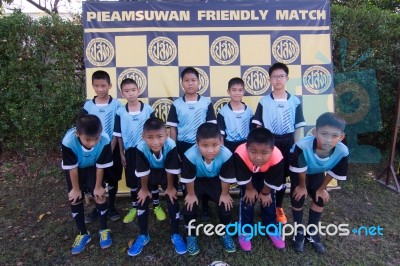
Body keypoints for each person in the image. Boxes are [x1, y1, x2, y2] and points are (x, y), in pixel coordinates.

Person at [252, 62, 306, 224]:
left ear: (287, 78)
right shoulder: (264, 101)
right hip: (270, 141)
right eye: (274, 77)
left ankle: (278, 207)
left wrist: (296, 147)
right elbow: (258, 125)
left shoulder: (295, 101)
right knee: (266, 173)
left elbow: (298, 127)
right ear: (270, 80)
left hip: (288, 141)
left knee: (282, 178)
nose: (278, 80)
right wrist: (261, 146)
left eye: (281, 76)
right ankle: (264, 204)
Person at [290, 112, 348, 253]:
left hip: (317, 172)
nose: (328, 140)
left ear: (341, 137)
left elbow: (333, 172)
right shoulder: (302, 146)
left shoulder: (342, 151)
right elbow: (300, 168)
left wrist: (322, 188)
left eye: (334, 136)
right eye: (324, 134)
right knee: (298, 197)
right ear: (315, 132)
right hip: (300, 173)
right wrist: (302, 186)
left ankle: (312, 233)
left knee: (319, 198)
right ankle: (298, 232)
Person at [127, 117, 187, 256]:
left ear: (166, 135)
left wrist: (170, 188)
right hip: (148, 174)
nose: (155, 142)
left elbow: (171, 169)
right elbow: (143, 171)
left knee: (172, 199)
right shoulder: (140, 147)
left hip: (166, 174)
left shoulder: (171, 145)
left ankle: (175, 234)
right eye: (150, 137)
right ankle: (143, 235)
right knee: (141, 199)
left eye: (159, 137)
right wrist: (144, 189)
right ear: (143, 137)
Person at [113, 78, 166, 224]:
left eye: (133, 90)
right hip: (130, 151)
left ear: (139, 91)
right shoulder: (120, 112)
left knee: (152, 178)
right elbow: (118, 135)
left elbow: (155, 131)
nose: (131, 94)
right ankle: (134, 206)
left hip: (147, 150)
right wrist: (121, 153)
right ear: (122, 94)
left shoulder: (148, 109)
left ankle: (156, 205)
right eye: (127, 91)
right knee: (132, 180)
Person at [167, 67, 217, 221]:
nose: (190, 83)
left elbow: (212, 126)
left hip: (202, 146)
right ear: (182, 84)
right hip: (183, 145)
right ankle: (188, 203)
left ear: (199, 83)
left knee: (203, 175)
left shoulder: (206, 103)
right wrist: (174, 148)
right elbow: (173, 128)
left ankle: (205, 206)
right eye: (187, 81)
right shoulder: (176, 104)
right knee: (187, 177)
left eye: (193, 80)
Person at [181, 123, 236, 255]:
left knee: (226, 204)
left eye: (214, 145)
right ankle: (191, 235)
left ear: (221, 142)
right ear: (197, 143)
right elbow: (189, 178)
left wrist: (224, 194)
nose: (210, 150)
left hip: (215, 180)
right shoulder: (189, 155)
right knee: (189, 205)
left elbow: (225, 177)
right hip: (196, 181)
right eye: (205, 146)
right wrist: (191, 194)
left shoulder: (226, 154)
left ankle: (225, 233)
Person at [61, 114, 113, 255]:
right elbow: (72, 168)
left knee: (100, 195)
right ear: (78, 134)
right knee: (74, 198)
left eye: (96, 138)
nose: (92, 143)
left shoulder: (105, 139)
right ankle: (83, 233)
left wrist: (97, 187)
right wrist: (76, 189)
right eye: (87, 140)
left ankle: (104, 229)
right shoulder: (68, 141)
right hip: (76, 169)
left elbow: (101, 166)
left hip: (94, 167)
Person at [234, 128, 286, 251]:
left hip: (267, 175)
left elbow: (273, 178)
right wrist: (250, 189)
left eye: (264, 153)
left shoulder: (277, 156)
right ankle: (245, 230)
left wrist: (265, 193)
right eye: (253, 151)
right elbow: (242, 175)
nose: (258, 157)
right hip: (248, 175)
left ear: (272, 150)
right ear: (246, 148)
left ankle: (271, 228)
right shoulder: (239, 153)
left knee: (269, 202)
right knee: (248, 200)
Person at [82, 70, 123, 223]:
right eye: (96, 86)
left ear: (110, 85)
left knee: (112, 179)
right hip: (94, 150)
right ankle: (97, 208)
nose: (100, 89)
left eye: (103, 86)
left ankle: (111, 206)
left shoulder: (117, 105)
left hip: (112, 149)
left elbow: (118, 130)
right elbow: (83, 128)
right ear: (92, 86)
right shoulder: (88, 106)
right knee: (95, 181)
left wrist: (111, 148)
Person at [217, 77, 253, 153]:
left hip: (245, 145)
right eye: (234, 90)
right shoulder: (223, 112)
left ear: (243, 92)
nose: (237, 93)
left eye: (240, 90)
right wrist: (223, 151)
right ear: (228, 91)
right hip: (229, 145)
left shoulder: (249, 111)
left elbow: (253, 131)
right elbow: (221, 134)